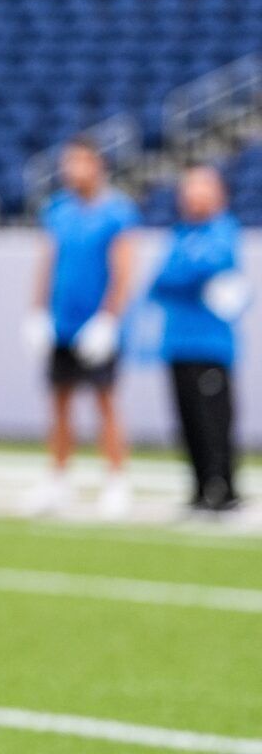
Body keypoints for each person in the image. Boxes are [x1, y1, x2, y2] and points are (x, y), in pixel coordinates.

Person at [22, 138, 140, 519]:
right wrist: (37, 311)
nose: (72, 171)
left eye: (80, 162)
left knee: (105, 403)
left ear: (98, 165)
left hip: (96, 326)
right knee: (59, 403)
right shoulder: (57, 209)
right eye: (68, 163)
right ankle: (57, 479)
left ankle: (116, 480)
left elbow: (124, 271)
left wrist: (109, 319)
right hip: (62, 324)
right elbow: (47, 264)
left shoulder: (117, 211)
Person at [148, 166, 244, 515]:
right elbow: (161, 282)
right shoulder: (180, 233)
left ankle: (224, 488)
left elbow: (203, 269)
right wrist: (188, 278)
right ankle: (200, 486)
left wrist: (185, 276)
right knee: (187, 420)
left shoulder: (224, 230)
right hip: (178, 343)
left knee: (214, 420)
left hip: (210, 346)